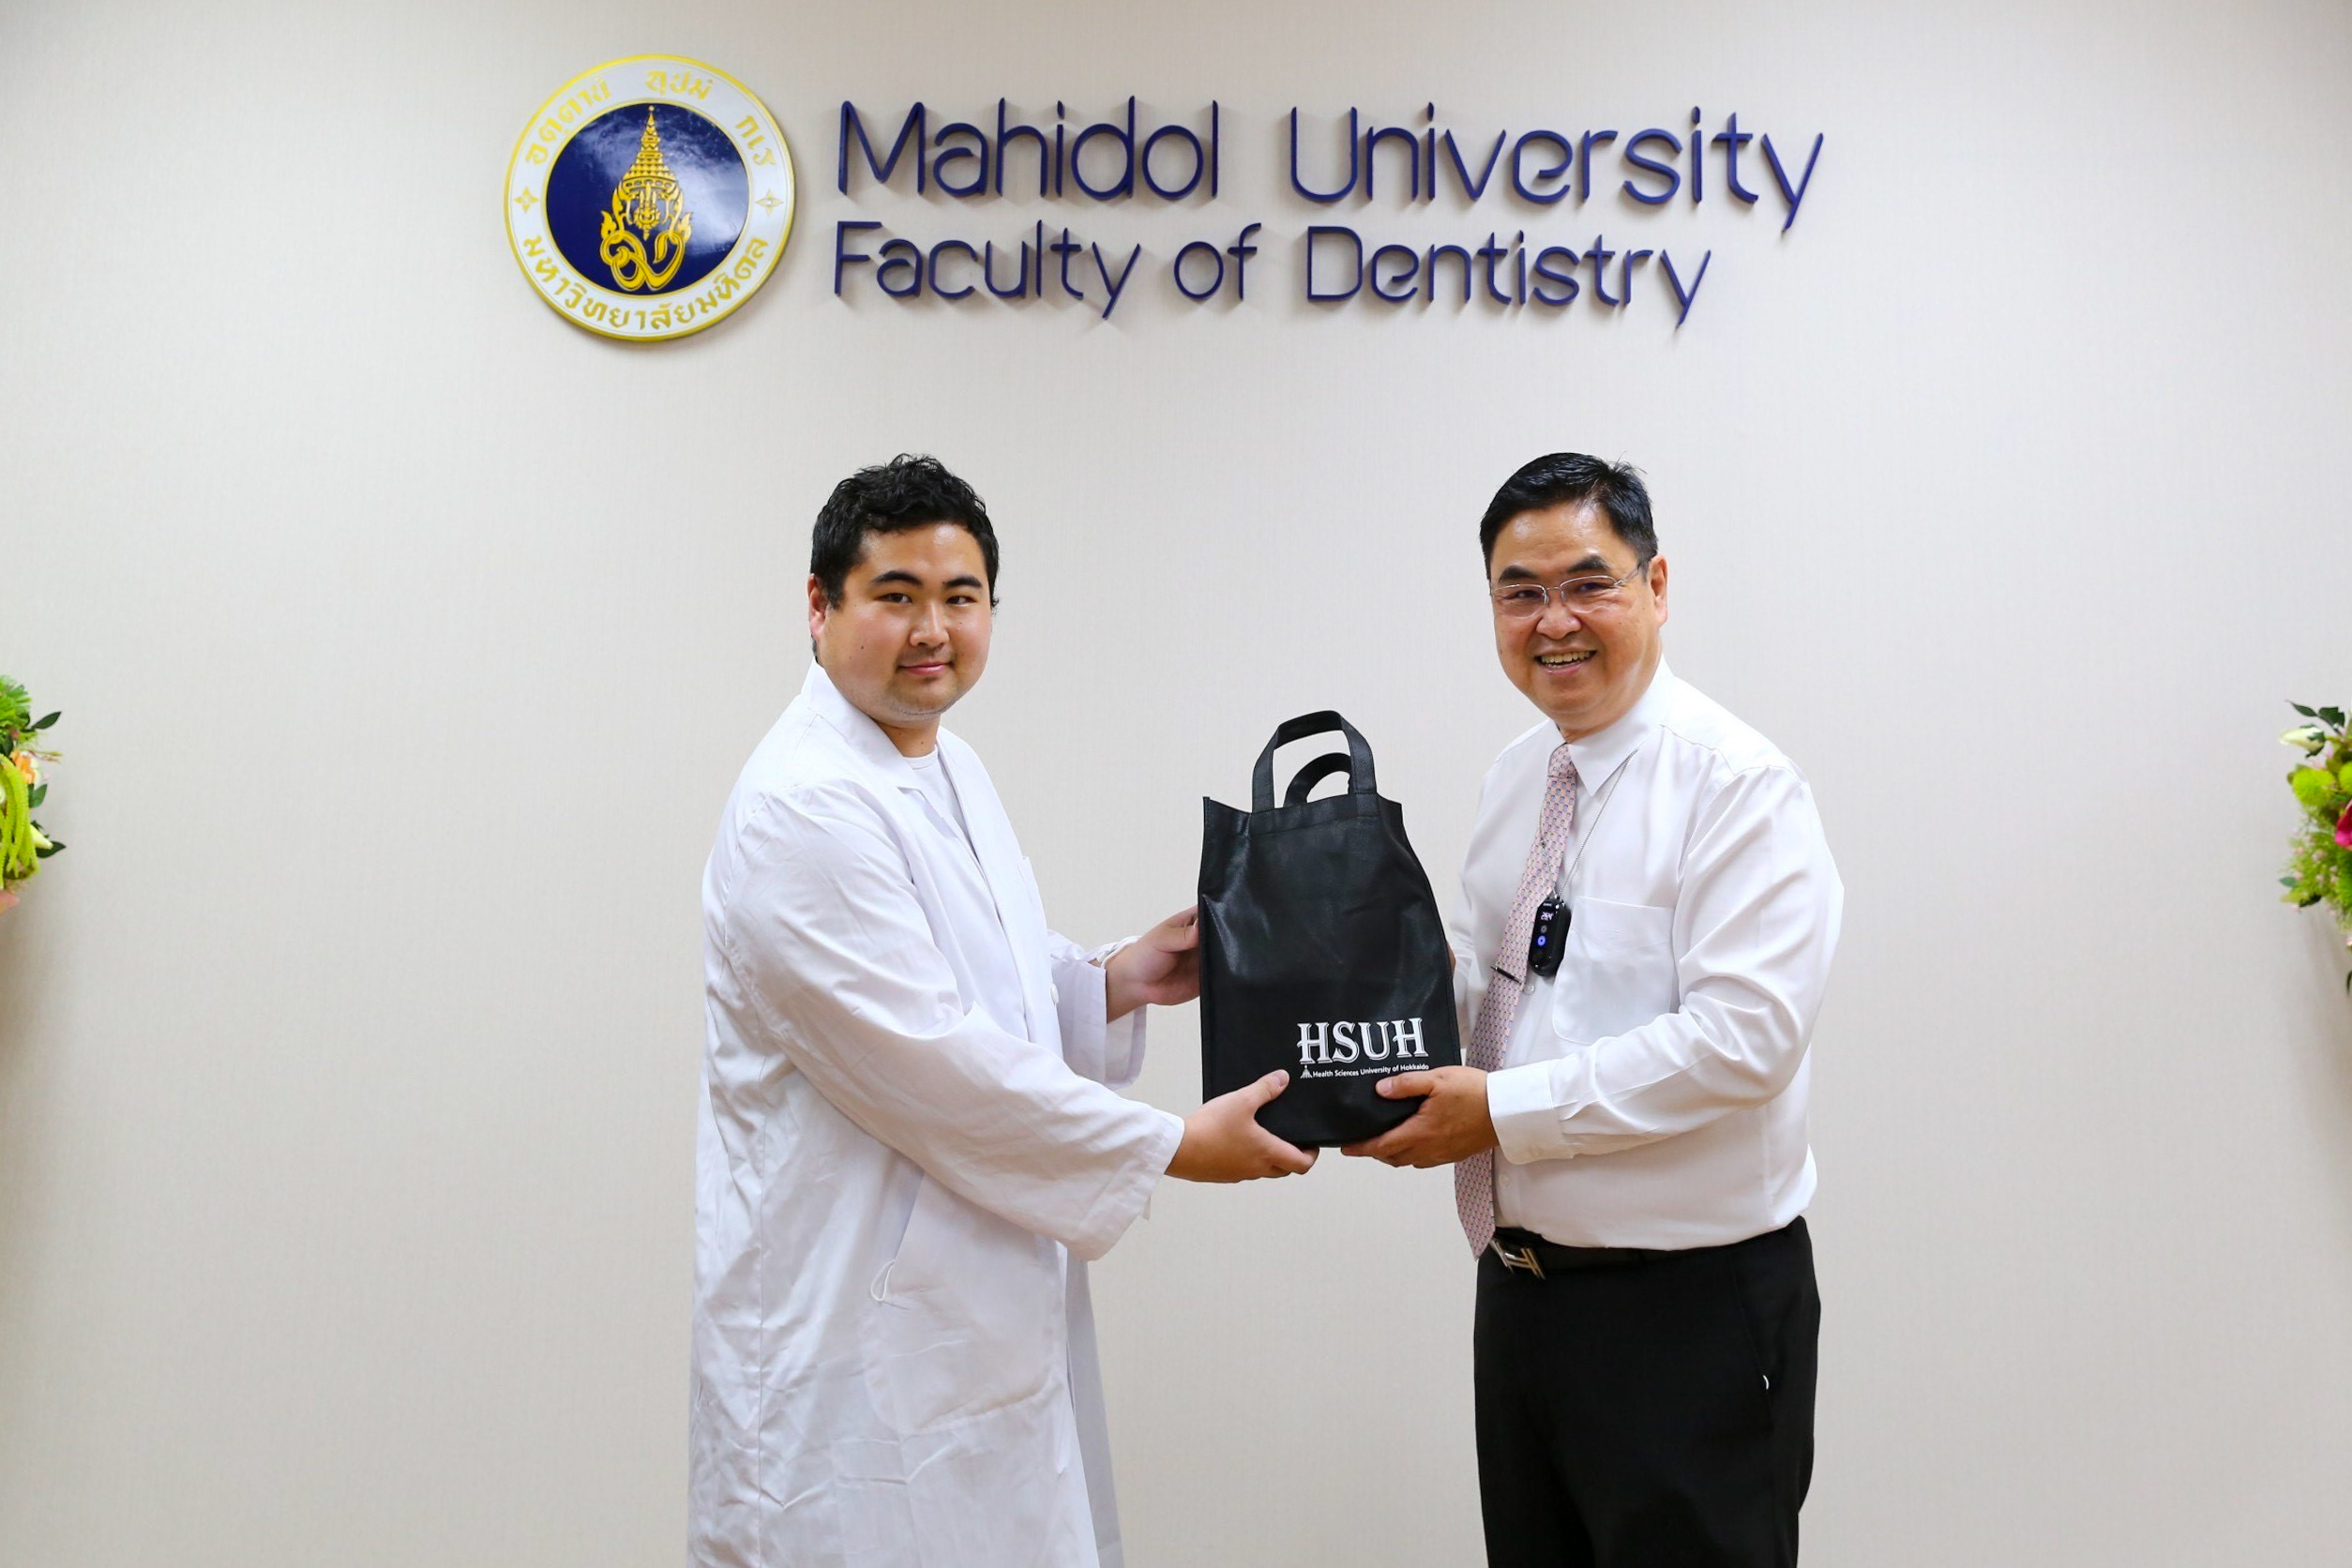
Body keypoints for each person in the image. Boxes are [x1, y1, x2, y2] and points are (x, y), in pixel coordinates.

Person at [690, 455, 1314, 1568]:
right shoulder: (805, 807)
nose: (932, 630)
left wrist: (1112, 978)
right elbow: (937, 1065)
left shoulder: (944, 763)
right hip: (849, 1346)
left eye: (960, 597)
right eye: (896, 595)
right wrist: (1173, 1144)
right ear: (820, 605)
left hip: (965, 1321)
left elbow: (969, 979)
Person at [1345, 453, 1842, 1567]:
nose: (1553, 621)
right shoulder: (1520, 773)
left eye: (1588, 583)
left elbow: (1743, 1041)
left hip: (1689, 1316)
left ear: (1656, 586)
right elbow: (1494, 987)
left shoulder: (1738, 786)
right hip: (1523, 1299)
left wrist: (1500, 1112)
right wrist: (1334, 990)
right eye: (1520, 592)